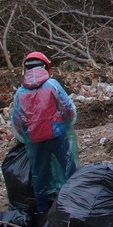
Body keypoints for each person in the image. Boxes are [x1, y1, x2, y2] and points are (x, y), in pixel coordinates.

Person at [11, 51, 79, 214]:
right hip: (57, 133)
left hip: (35, 138)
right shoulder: (52, 85)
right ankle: (74, 200)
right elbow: (67, 108)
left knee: (39, 172)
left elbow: (17, 120)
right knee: (67, 165)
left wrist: (25, 135)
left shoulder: (20, 92)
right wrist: (68, 123)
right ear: (45, 67)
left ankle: (43, 210)